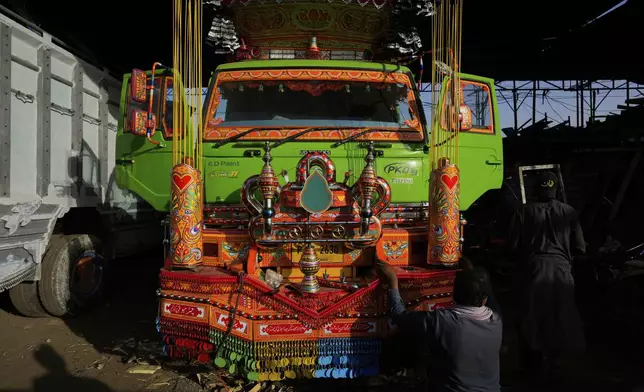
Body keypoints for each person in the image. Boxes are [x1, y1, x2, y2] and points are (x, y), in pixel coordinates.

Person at [375, 257, 502, 392]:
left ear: (453, 295)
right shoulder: (496, 319)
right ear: (484, 300)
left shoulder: (444, 321)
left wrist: (392, 281)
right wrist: (470, 273)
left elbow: (399, 315)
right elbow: (489, 296)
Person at [509, 171, 586, 382]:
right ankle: (555, 366)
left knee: (531, 317)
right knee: (559, 317)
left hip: (532, 270)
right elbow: (580, 247)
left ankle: (533, 368)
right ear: (555, 189)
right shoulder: (569, 212)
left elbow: (513, 246)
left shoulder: (523, 212)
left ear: (535, 189)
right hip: (562, 272)